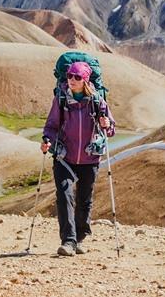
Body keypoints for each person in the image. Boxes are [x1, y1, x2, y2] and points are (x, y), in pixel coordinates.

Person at [41, 61, 115, 256]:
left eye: (77, 77)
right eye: (69, 76)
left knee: (84, 199)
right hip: (64, 155)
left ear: (85, 80)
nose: (72, 80)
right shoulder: (61, 99)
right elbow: (51, 126)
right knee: (64, 195)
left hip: (90, 157)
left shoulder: (97, 101)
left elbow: (111, 129)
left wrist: (107, 124)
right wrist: (47, 140)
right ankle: (68, 241)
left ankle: (80, 237)